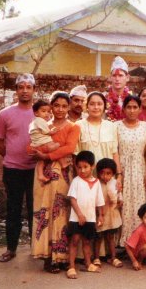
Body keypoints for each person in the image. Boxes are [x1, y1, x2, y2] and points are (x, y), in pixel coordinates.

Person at [30, 92, 81, 274]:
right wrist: (45, 153)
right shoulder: (43, 125)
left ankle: (61, 257)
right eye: (56, 105)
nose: (60, 109)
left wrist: (47, 154)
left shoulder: (73, 127)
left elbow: (69, 147)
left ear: (68, 108)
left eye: (64, 106)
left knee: (61, 212)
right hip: (44, 173)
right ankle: (47, 256)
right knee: (45, 211)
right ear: (51, 106)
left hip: (64, 173)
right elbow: (31, 146)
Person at [0, 73, 36, 263]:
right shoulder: (5, 114)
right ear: (16, 90)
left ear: (34, 90)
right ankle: (11, 248)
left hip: (37, 169)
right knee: (13, 210)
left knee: (36, 210)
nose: (25, 90)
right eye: (21, 87)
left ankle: (37, 248)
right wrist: (13, 156)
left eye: (28, 87)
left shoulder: (42, 112)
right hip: (13, 170)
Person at [116, 94, 146, 246]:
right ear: (123, 109)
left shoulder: (145, 127)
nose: (131, 110)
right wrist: (118, 173)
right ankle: (122, 242)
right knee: (122, 204)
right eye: (128, 107)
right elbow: (114, 151)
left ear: (140, 109)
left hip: (139, 169)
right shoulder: (116, 126)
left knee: (139, 203)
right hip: (122, 168)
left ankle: (139, 241)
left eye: (135, 107)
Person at [66, 150, 105, 279]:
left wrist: (100, 215)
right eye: (79, 167)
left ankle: (88, 263)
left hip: (90, 218)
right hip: (77, 218)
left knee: (87, 242)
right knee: (75, 241)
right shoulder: (76, 181)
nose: (82, 170)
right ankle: (71, 267)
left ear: (92, 166)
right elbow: (72, 199)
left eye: (85, 167)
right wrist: (80, 215)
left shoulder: (97, 182)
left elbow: (99, 201)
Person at [76, 92, 120, 178]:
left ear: (104, 107)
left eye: (99, 104)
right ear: (87, 106)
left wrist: (119, 175)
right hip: (86, 177)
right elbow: (75, 155)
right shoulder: (79, 125)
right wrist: (80, 176)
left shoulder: (111, 126)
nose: (96, 107)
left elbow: (115, 153)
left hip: (107, 177)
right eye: (92, 104)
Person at [93, 158, 124, 269]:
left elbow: (120, 197)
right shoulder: (96, 183)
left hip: (112, 214)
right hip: (101, 214)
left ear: (113, 174)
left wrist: (118, 201)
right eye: (102, 173)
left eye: (108, 173)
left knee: (111, 237)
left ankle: (113, 257)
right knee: (98, 237)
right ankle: (96, 257)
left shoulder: (115, 183)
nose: (105, 176)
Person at [29, 100, 60, 183]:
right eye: (43, 111)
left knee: (41, 160)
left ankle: (40, 175)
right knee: (57, 145)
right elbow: (46, 132)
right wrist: (53, 131)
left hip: (37, 143)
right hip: (42, 142)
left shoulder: (35, 121)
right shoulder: (39, 120)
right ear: (36, 113)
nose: (47, 114)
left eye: (48, 111)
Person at [105, 56, 131, 121]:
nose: (117, 79)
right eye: (114, 76)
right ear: (110, 77)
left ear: (127, 77)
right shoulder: (103, 98)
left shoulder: (132, 99)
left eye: (120, 75)